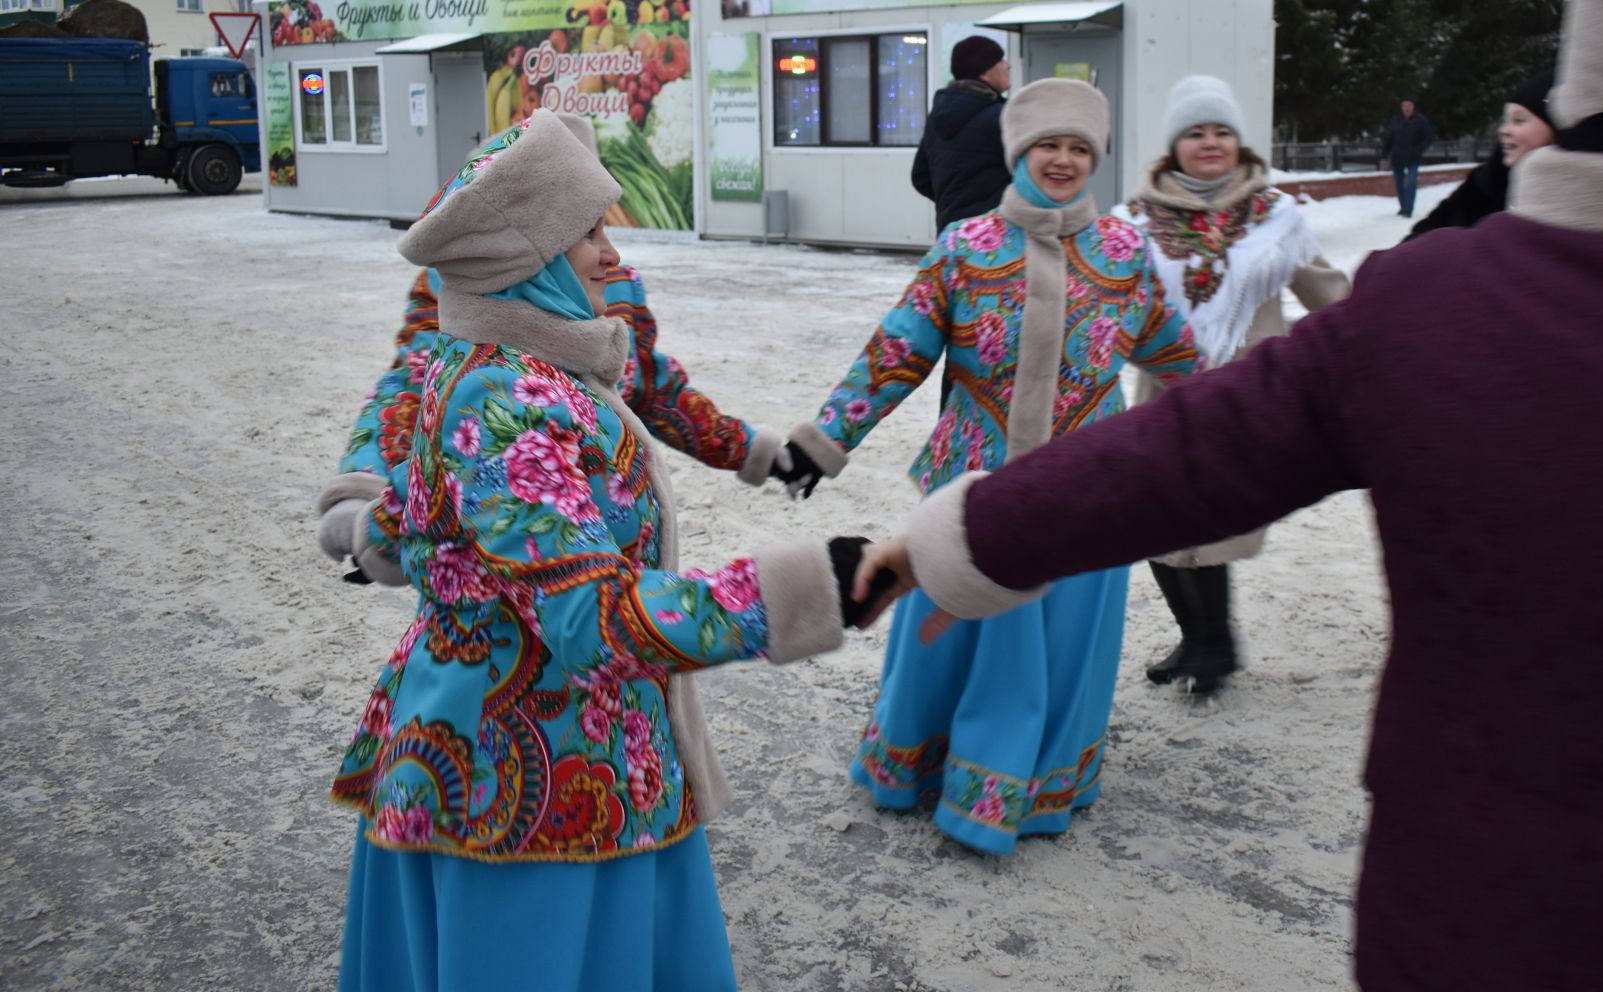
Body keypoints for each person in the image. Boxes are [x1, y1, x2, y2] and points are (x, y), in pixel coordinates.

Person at [857, 0, 1603, 991]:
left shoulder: (1440, 305)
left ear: (1594, 77)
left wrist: (959, 536)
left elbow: (1174, 456)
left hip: (1460, 915)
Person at [328, 110, 878, 991]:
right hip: (520, 766)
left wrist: (396, 532)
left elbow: (467, 486)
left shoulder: (536, 355)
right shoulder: (503, 393)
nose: (613, 252)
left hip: (588, 741)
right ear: (528, 250)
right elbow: (591, 614)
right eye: (589, 231)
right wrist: (806, 589)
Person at [788, 78, 1200, 854]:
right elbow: (896, 353)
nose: (1064, 160)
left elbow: (1179, 357)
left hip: (1089, 491)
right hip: (971, 484)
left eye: (1080, 148)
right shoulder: (966, 249)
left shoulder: (1122, 253)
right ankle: (921, 762)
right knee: (949, 626)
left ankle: (1036, 781)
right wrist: (825, 438)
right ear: (1018, 151)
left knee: (1066, 635)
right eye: (1049, 144)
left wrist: (1233, 427)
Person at [317, 113, 783, 585]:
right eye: (586, 228)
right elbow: (420, 394)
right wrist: (366, 495)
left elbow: (649, 387)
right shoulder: (469, 305)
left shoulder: (615, 283)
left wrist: (753, 451)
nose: (610, 251)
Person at [1116, 75, 1350, 694]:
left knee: (1212, 518)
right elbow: (1106, 301)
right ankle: (1198, 637)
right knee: (1152, 521)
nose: (1210, 142)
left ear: (1239, 141)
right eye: (1195, 132)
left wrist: (1368, 342)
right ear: (1174, 145)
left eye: (1221, 130)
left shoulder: (1274, 216)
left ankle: (1215, 645)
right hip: (1164, 395)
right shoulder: (1136, 220)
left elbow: (1328, 294)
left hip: (1249, 399)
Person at [1404, 69, 1556, 239]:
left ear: (1555, 129)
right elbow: (1419, 241)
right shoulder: (1481, 185)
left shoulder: (1577, 203)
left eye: (1518, 120)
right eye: (1505, 120)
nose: (1504, 130)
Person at [910, 35, 1014, 232]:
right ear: (984, 73)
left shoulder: (937, 116)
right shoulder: (1001, 117)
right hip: (995, 236)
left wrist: (956, 202)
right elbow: (1027, 174)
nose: (1008, 65)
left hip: (951, 234)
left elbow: (920, 177)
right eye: (1000, 60)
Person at [1378, 97, 1436, 218]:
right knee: (1399, 184)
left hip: (1413, 157)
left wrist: (1418, 149)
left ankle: (1408, 210)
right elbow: (1388, 139)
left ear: (1413, 107)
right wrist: (1384, 155)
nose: (1407, 108)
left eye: (1409, 105)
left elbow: (1428, 138)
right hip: (1397, 156)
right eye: (1404, 105)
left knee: (1411, 183)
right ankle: (1403, 207)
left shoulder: (1421, 121)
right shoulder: (1396, 120)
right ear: (1401, 107)